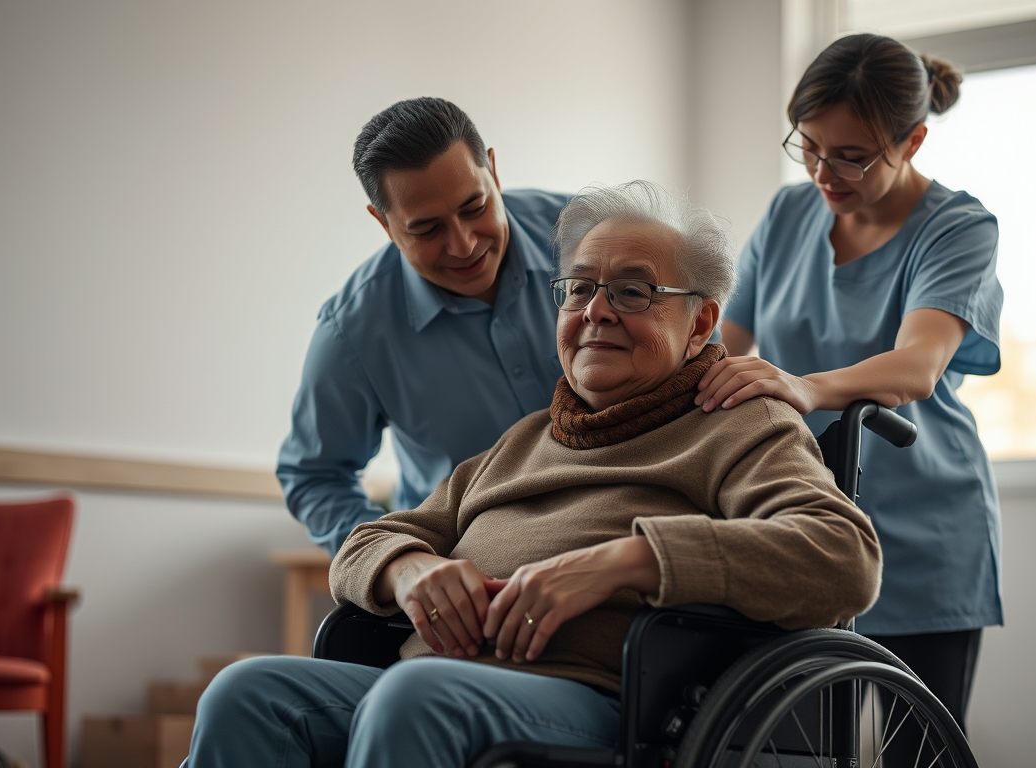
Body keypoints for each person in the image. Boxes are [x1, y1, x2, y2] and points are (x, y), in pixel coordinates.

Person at [188, 181, 882, 767]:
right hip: (435, 682)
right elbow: (368, 543)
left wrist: (627, 560)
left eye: (634, 292)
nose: (596, 311)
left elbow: (843, 557)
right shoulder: (522, 440)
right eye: (578, 289)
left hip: (615, 707)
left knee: (416, 696)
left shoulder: (736, 423)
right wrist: (409, 571)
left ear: (701, 323)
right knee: (247, 691)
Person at [694, 33, 1003, 740]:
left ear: (913, 140)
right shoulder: (787, 216)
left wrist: (804, 388)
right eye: (808, 146)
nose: (824, 172)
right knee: (794, 744)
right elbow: (717, 350)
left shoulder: (957, 228)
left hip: (926, 530)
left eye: (852, 155)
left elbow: (918, 365)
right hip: (803, 521)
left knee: (915, 744)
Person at [277, 97, 569, 555]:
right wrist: (397, 559)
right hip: (472, 566)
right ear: (385, 224)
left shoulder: (590, 236)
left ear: (493, 171)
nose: (463, 244)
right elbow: (315, 477)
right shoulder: (352, 331)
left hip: (625, 530)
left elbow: (688, 340)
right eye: (427, 229)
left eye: (474, 207)